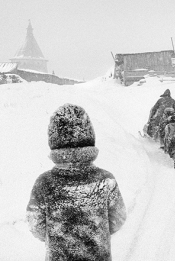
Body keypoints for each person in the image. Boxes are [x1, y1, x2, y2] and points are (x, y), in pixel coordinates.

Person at [26, 104, 127, 261]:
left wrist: (58, 236)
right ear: (89, 136)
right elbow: (118, 218)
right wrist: (96, 232)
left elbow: (36, 225)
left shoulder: (44, 183)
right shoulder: (106, 180)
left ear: (53, 139)